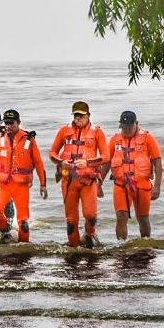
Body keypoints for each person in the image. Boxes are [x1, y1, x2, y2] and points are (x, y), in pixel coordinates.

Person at [0, 109, 47, 243]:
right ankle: (5, 233)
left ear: (19, 123)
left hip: (21, 185)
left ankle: (24, 247)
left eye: (12, 123)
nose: (9, 126)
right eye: (6, 123)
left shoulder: (29, 139)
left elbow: (39, 163)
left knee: (23, 222)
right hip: (3, 184)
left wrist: (43, 184)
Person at [49, 101, 109, 248]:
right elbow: (52, 153)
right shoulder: (64, 131)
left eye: (81, 116)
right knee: (71, 221)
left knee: (90, 216)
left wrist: (87, 163)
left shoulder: (97, 132)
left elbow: (106, 156)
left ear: (88, 115)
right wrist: (61, 162)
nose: (78, 119)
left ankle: (90, 234)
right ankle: (74, 249)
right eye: (76, 115)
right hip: (68, 181)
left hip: (88, 181)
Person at [108, 111, 162, 241]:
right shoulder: (115, 140)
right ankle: (121, 246)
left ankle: (145, 244)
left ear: (136, 124)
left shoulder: (148, 138)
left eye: (129, 127)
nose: (126, 130)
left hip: (142, 185)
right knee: (121, 216)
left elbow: (158, 162)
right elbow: (106, 162)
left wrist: (157, 187)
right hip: (121, 185)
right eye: (124, 127)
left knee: (143, 218)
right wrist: (98, 183)